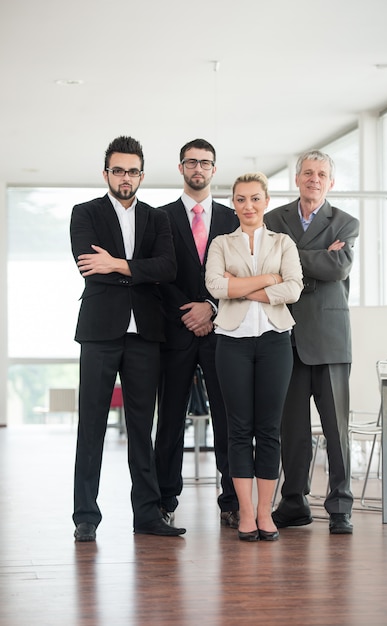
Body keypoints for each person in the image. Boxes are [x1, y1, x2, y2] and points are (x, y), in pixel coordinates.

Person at [70, 135, 186, 540]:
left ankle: (148, 514)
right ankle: (85, 515)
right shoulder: (84, 213)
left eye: (132, 171)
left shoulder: (158, 219)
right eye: (117, 170)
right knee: (92, 425)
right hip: (101, 331)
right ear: (106, 173)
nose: (125, 177)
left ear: (141, 175)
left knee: (142, 426)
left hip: (145, 333)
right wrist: (139, 270)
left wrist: (117, 264)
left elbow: (168, 267)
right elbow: (89, 265)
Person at [264, 150, 360, 535]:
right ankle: (294, 502)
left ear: (330, 182)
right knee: (293, 428)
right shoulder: (274, 219)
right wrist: (316, 259)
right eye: (308, 172)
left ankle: (340, 507)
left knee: (336, 429)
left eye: (321, 174)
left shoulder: (346, 222)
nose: (314, 179)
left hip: (331, 339)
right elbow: (271, 267)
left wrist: (292, 261)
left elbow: (339, 268)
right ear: (297, 178)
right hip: (286, 334)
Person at [205, 172, 303, 541]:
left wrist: (241, 286)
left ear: (266, 201)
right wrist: (267, 280)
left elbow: (294, 287)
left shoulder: (283, 242)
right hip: (232, 341)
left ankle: (266, 513)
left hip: (276, 340)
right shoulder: (221, 243)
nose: (248, 206)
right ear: (233, 203)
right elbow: (215, 286)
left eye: (255, 198)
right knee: (239, 429)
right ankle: (245, 513)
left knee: (269, 429)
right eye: (241, 199)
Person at [155, 138, 240, 527]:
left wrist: (211, 307)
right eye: (191, 162)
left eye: (205, 163)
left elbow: (238, 273)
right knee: (171, 419)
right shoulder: (160, 217)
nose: (198, 169)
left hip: (222, 331)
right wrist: (188, 311)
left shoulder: (231, 218)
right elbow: (156, 274)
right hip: (175, 331)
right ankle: (165, 500)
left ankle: (232, 500)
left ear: (214, 169)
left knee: (227, 418)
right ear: (181, 168)